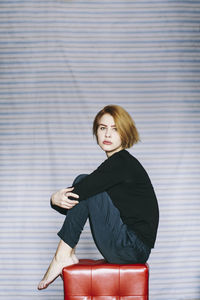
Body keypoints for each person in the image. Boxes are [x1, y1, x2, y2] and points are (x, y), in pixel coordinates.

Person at [37, 104, 159, 290]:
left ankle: (62, 255)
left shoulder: (121, 163)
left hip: (131, 248)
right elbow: (79, 199)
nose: (107, 135)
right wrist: (58, 201)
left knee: (84, 182)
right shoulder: (119, 164)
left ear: (125, 133)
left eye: (115, 129)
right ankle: (64, 255)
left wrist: (54, 198)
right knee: (87, 185)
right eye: (103, 128)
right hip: (131, 248)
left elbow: (79, 193)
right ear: (97, 132)